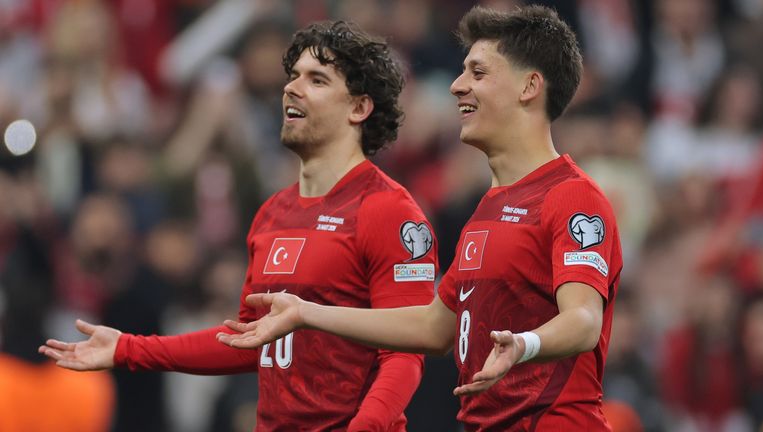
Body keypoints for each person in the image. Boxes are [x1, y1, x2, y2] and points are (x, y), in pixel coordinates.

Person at [218, 5, 623, 431]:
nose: (456, 86)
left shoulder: (573, 196)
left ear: (530, 86)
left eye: (478, 73)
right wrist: (306, 313)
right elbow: (434, 327)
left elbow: (583, 321)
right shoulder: (487, 209)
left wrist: (525, 344)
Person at [39, 20, 438, 431]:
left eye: (316, 80)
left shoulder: (390, 211)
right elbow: (246, 340)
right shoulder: (271, 214)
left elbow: (406, 352)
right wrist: (129, 347)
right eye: (293, 75)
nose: (292, 88)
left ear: (359, 108)